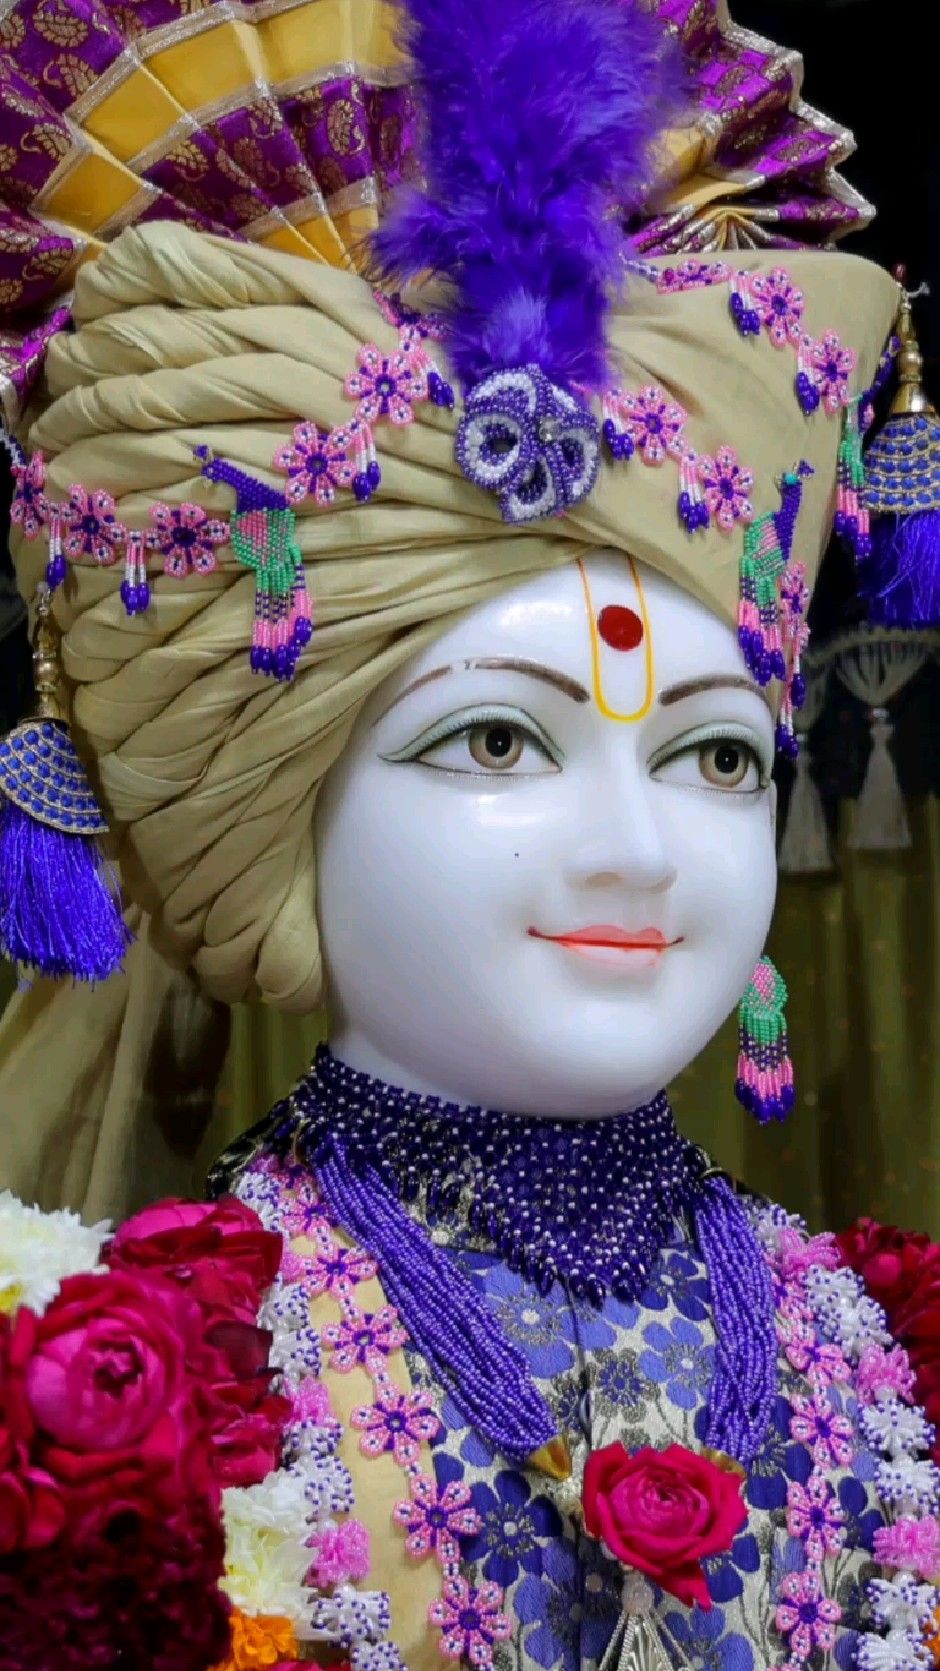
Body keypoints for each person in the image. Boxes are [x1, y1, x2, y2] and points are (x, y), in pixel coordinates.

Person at [1, 1, 937, 1667]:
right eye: (501, 738)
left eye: (718, 760)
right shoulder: (134, 1403)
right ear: (261, 792)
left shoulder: (880, 1348)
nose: (642, 853)